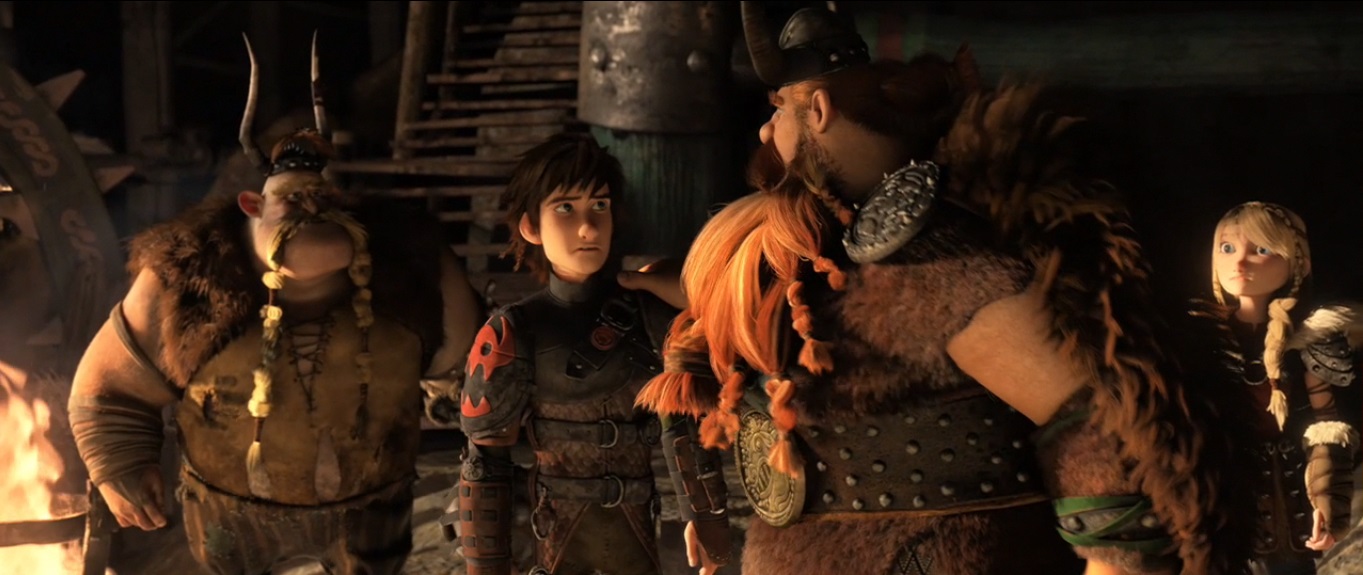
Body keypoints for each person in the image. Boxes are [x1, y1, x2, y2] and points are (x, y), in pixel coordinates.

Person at [636, 3, 1256, 574]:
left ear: (818, 110)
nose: (766, 133)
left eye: (778, 111)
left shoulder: (937, 258)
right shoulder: (827, 253)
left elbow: (1089, 422)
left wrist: (1117, 562)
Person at [65, 35, 484, 575]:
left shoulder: (411, 266)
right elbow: (107, 390)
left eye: (323, 200)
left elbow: (469, 368)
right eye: (292, 201)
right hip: (228, 513)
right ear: (252, 206)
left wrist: (467, 414)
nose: (311, 211)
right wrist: (120, 463)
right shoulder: (186, 277)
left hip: (372, 508)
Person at [450, 132, 726, 575]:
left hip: (637, 534)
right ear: (531, 227)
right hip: (556, 535)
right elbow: (485, 464)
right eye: (565, 208)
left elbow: (681, 424)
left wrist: (706, 516)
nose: (588, 228)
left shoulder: (649, 313)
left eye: (599, 205)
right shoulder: (513, 331)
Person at [1204, 202, 1359, 574]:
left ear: (1296, 262)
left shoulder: (1310, 339)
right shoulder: (1202, 341)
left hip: (1291, 501)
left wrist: (1327, 506)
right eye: (1228, 248)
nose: (1240, 262)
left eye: (1261, 249)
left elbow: (1326, 424)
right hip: (1225, 503)